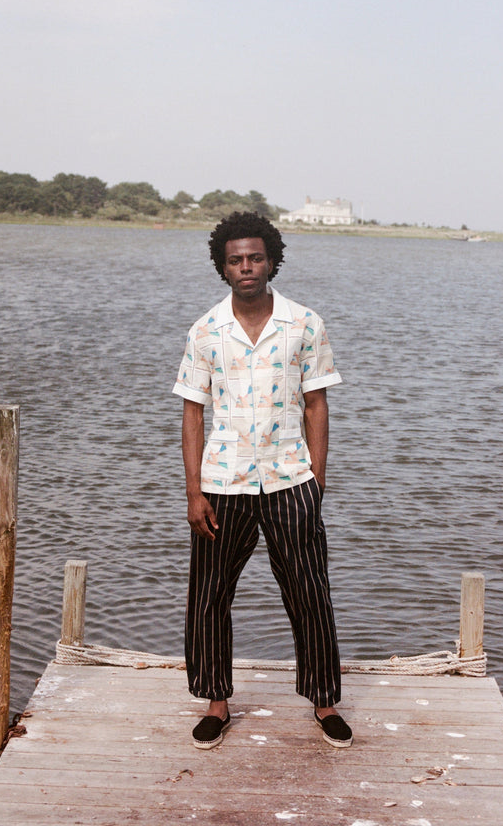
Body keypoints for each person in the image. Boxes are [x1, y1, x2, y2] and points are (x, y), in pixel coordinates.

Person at [172, 211, 352, 750]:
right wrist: (193, 491)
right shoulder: (206, 331)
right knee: (208, 594)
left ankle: (325, 703)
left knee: (310, 592)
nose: (246, 267)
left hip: (290, 479)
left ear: (272, 259)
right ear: (222, 268)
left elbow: (317, 405)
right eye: (235, 260)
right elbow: (192, 415)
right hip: (222, 483)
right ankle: (216, 703)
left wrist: (316, 481)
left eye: (255, 257)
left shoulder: (304, 324)